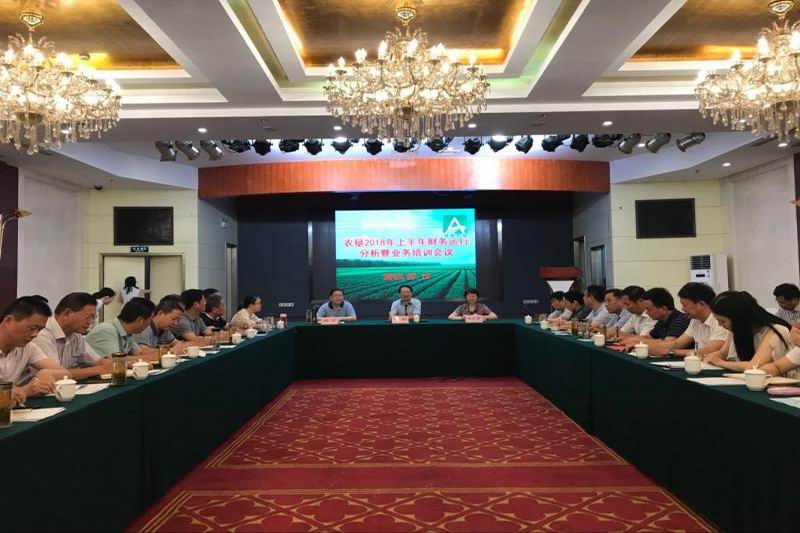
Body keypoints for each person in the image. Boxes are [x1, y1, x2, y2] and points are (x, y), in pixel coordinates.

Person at [0, 297, 68, 405]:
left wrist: (46, 373)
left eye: (39, 330)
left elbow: (65, 373)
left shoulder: (28, 347)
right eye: (31, 328)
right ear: (8, 321)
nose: (35, 335)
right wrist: (24, 390)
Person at [631, 283, 728, 357]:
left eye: (685, 305)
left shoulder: (719, 321)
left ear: (701, 304)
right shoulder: (695, 320)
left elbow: (709, 351)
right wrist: (644, 345)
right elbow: (678, 343)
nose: (682, 309)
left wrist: (669, 352)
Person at [705, 291, 792, 373]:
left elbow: (754, 367)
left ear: (739, 319)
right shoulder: (737, 330)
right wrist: (711, 358)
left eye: (722, 321)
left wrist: (720, 363)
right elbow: (722, 354)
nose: (720, 325)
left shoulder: (776, 331)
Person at [31, 292, 112, 380]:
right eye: (88, 317)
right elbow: (56, 374)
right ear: (67, 313)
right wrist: (99, 370)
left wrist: (115, 364)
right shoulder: (42, 334)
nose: (91, 322)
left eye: (93, 317)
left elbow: (97, 361)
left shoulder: (75, 334)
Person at [86, 297, 155, 356]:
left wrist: (159, 353)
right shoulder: (106, 330)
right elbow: (115, 361)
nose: (149, 324)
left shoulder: (127, 332)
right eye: (150, 320)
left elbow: (139, 353)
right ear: (140, 320)